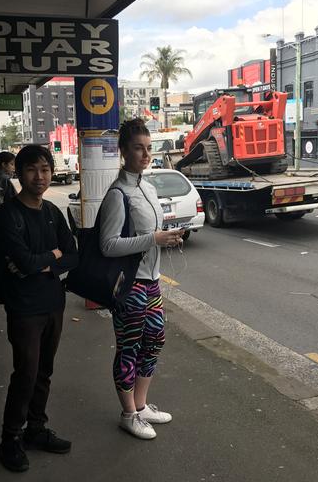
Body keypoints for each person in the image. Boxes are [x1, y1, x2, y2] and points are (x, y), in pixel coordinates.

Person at [0, 144, 78, 472]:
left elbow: (74, 254)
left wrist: (45, 261)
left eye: (45, 169)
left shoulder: (52, 212)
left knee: (44, 371)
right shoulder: (8, 216)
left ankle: (36, 429)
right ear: (19, 172)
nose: (39, 176)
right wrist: (52, 258)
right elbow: (25, 263)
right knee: (26, 373)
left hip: (53, 304)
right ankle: (9, 439)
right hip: (24, 308)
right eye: (31, 169)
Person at [99, 119, 185, 440]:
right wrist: (154, 239)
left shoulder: (147, 188)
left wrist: (166, 238)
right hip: (129, 285)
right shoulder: (117, 194)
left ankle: (141, 405)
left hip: (151, 282)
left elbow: (151, 234)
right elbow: (107, 246)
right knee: (129, 347)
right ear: (123, 150)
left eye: (149, 148)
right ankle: (128, 413)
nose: (145, 154)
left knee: (155, 340)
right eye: (138, 148)